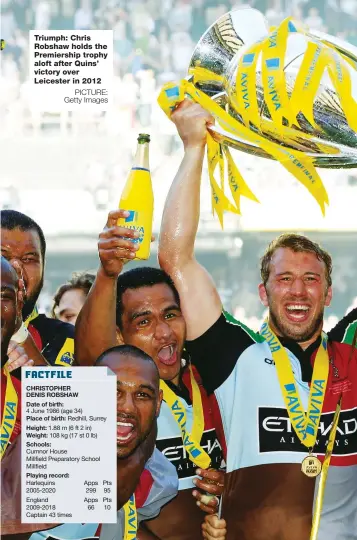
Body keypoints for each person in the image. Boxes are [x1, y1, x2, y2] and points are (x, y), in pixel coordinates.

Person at [157, 99, 357, 540]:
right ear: (263, 293)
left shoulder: (352, 360)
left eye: (311, 279)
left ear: (328, 292)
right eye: (284, 279)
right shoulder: (237, 356)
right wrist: (193, 147)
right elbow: (175, 259)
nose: (299, 290)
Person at [75, 211, 227, 540]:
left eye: (171, 315)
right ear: (118, 335)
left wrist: (232, 487)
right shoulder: (113, 402)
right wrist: (107, 273)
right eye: (144, 322)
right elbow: (87, 362)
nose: (163, 333)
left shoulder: (218, 382)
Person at [1, 210, 75, 374]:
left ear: (43, 267)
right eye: (2, 256)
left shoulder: (66, 336)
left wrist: (18, 332)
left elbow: (62, 399)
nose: (16, 267)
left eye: (28, 259)